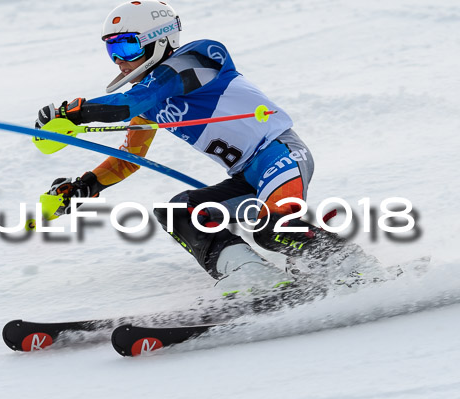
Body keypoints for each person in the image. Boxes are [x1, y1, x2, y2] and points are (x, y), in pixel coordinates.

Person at [34, 0, 383, 290]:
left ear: (158, 39)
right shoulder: (148, 101)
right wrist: (83, 187)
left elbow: (134, 102)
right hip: (246, 175)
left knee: (271, 228)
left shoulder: (199, 58)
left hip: (281, 154)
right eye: (112, 49)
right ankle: (252, 277)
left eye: (127, 45)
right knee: (178, 213)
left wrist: (76, 112)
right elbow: (128, 159)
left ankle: (355, 267)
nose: (119, 59)